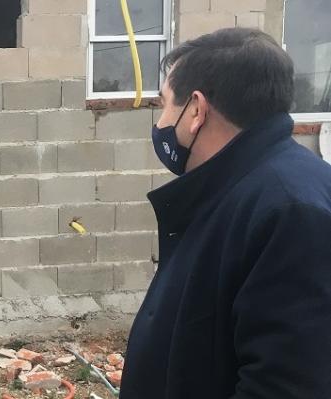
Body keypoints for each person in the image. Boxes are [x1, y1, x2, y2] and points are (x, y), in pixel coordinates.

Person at [122, 27, 331, 398]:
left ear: (196, 111)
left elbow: (285, 385)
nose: (160, 122)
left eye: (165, 104)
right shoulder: (233, 191)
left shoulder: (290, 210)